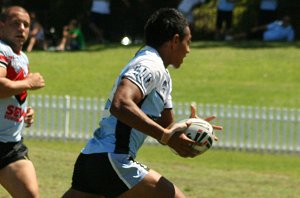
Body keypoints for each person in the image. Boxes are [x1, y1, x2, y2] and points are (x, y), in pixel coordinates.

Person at [62, 8, 222, 198]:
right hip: (114, 159)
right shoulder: (149, 64)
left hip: (93, 158)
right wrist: (166, 136)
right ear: (175, 40)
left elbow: (166, 127)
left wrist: (188, 127)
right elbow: (120, 104)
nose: (188, 50)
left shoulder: (162, 74)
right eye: (188, 42)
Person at [0, 6, 45, 198]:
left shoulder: (21, 56)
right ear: (1, 26)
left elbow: (12, 90)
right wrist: (28, 83)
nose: (22, 28)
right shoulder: (1, 49)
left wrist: (22, 109)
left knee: (29, 194)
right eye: (15, 23)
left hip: (10, 145)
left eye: (26, 24)